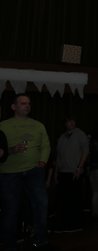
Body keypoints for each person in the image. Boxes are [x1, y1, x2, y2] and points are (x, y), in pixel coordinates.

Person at [0, 94, 51, 251]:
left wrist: (42, 161)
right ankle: (9, 244)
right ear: (13, 107)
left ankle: (40, 240)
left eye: (28, 103)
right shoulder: (3, 126)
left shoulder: (38, 125)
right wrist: (11, 150)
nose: (27, 105)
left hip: (34, 171)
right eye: (23, 103)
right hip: (9, 173)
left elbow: (46, 145)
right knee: (11, 208)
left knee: (41, 204)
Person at [53, 115, 89, 232]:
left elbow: (85, 151)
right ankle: (64, 224)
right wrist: (56, 173)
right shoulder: (62, 137)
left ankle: (76, 225)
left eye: (73, 121)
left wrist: (80, 167)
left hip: (74, 171)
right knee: (63, 200)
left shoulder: (80, 134)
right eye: (69, 121)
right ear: (65, 124)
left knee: (75, 199)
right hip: (63, 172)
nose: (71, 123)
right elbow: (58, 156)